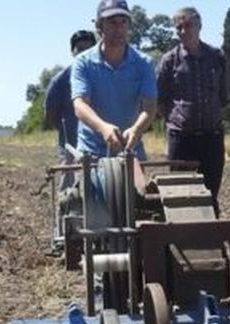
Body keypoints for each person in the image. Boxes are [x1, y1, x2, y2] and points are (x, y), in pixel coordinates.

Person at [71, 0, 157, 226]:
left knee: (141, 206)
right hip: (93, 149)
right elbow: (80, 104)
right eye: (112, 22)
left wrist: (137, 129)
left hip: (130, 148)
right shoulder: (83, 63)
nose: (119, 28)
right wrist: (103, 127)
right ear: (100, 26)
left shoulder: (143, 62)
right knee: (95, 213)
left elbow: (150, 107)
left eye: (123, 22)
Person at [156, 7, 229, 215]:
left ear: (199, 26)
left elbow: (224, 97)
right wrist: (178, 119)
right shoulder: (169, 61)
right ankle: (182, 242)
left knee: (210, 194)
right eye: (178, 27)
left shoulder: (217, 57)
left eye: (187, 25)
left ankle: (212, 239)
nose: (182, 31)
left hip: (212, 138)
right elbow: (159, 100)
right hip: (182, 139)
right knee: (181, 195)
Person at [44, 29, 96, 253]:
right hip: (71, 145)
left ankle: (94, 236)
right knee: (68, 191)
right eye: (79, 49)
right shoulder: (61, 80)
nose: (84, 52)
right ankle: (62, 239)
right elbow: (51, 113)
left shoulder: (100, 74)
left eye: (88, 48)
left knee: (98, 190)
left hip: (97, 144)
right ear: (72, 52)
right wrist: (66, 136)